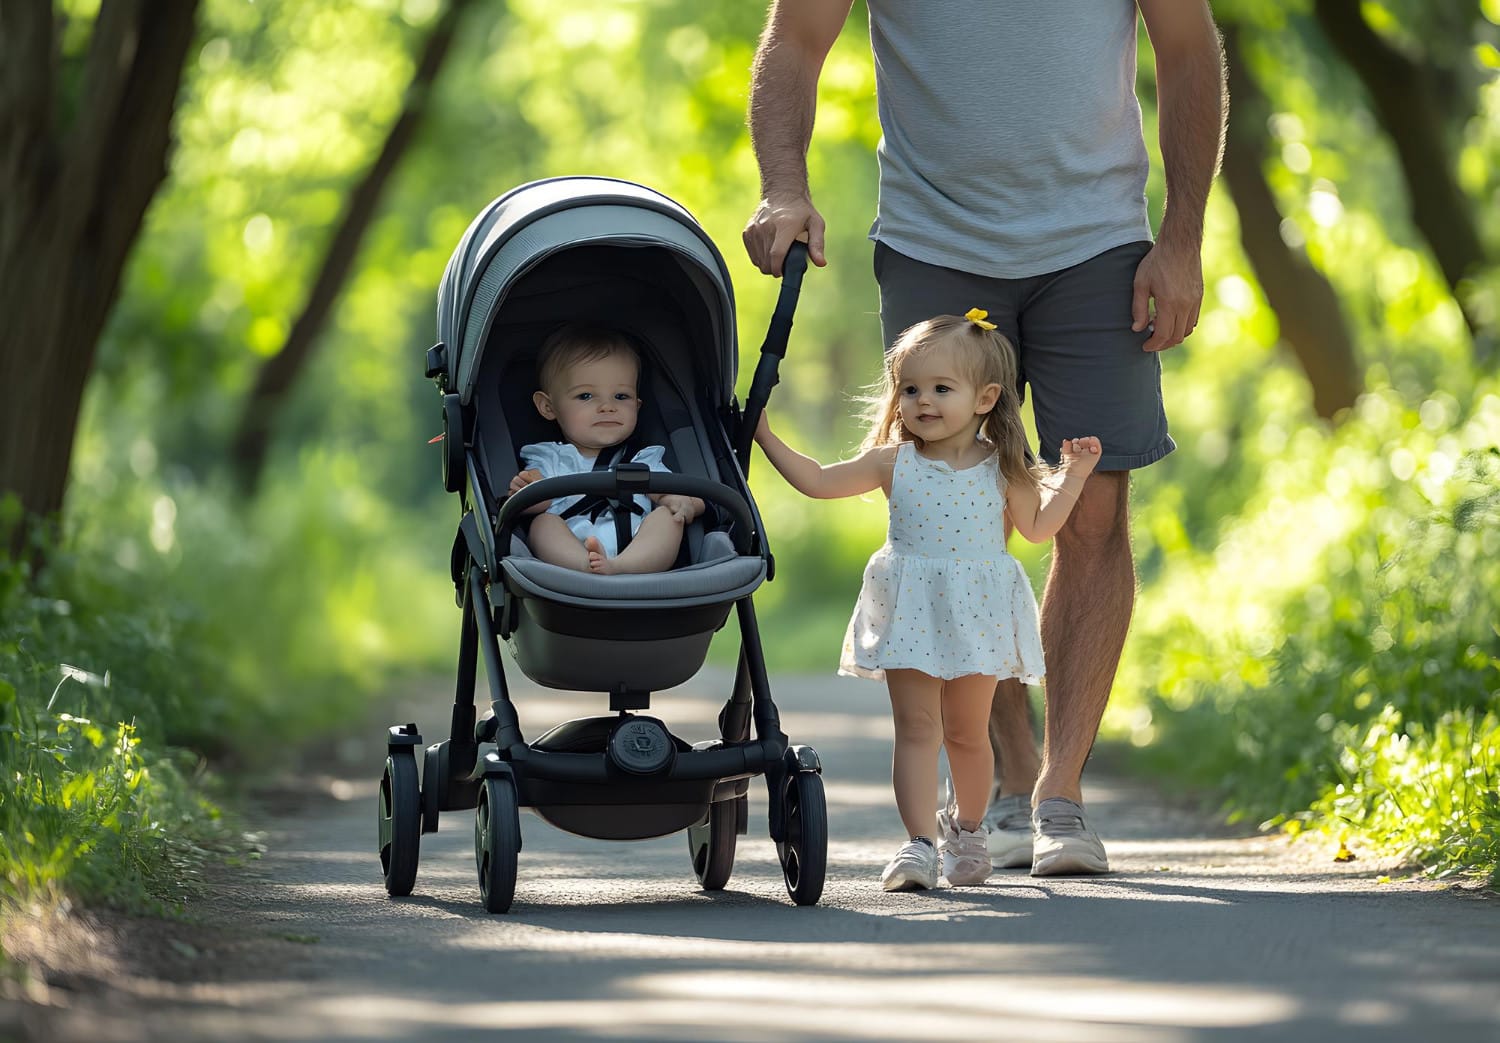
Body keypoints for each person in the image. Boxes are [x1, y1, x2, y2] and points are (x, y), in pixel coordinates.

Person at [742, 0, 1226, 876]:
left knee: (1092, 514)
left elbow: (1189, 48)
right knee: (959, 518)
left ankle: (1060, 796)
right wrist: (784, 186)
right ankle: (1006, 777)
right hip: (934, 240)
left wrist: (1183, 235)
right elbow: (796, 39)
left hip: (1097, 244)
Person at [754, 312, 1102, 890]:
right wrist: (764, 434)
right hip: (912, 608)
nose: (922, 401)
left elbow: (1039, 528)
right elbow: (817, 480)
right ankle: (917, 843)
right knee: (916, 730)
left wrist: (1074, 475)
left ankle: (967, 831)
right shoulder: (894, 462)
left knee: (967, 733)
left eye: (942, 388)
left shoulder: (1004, 467)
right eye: (910, 388)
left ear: (985, 397)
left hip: (978, 612)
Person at [510, 323, 704, 575]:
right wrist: (527, 491)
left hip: (637, 546)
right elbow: (530, 502)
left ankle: (621, 566)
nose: (607, 407)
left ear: (637, 405)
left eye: (621, 397)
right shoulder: (551, 458)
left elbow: (690, 496)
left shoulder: (642, 459)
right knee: (542, 523)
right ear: (548, 407)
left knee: (667, 517)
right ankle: (585, 566)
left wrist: (682, 502)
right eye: (585, 396)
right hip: (572, 549)